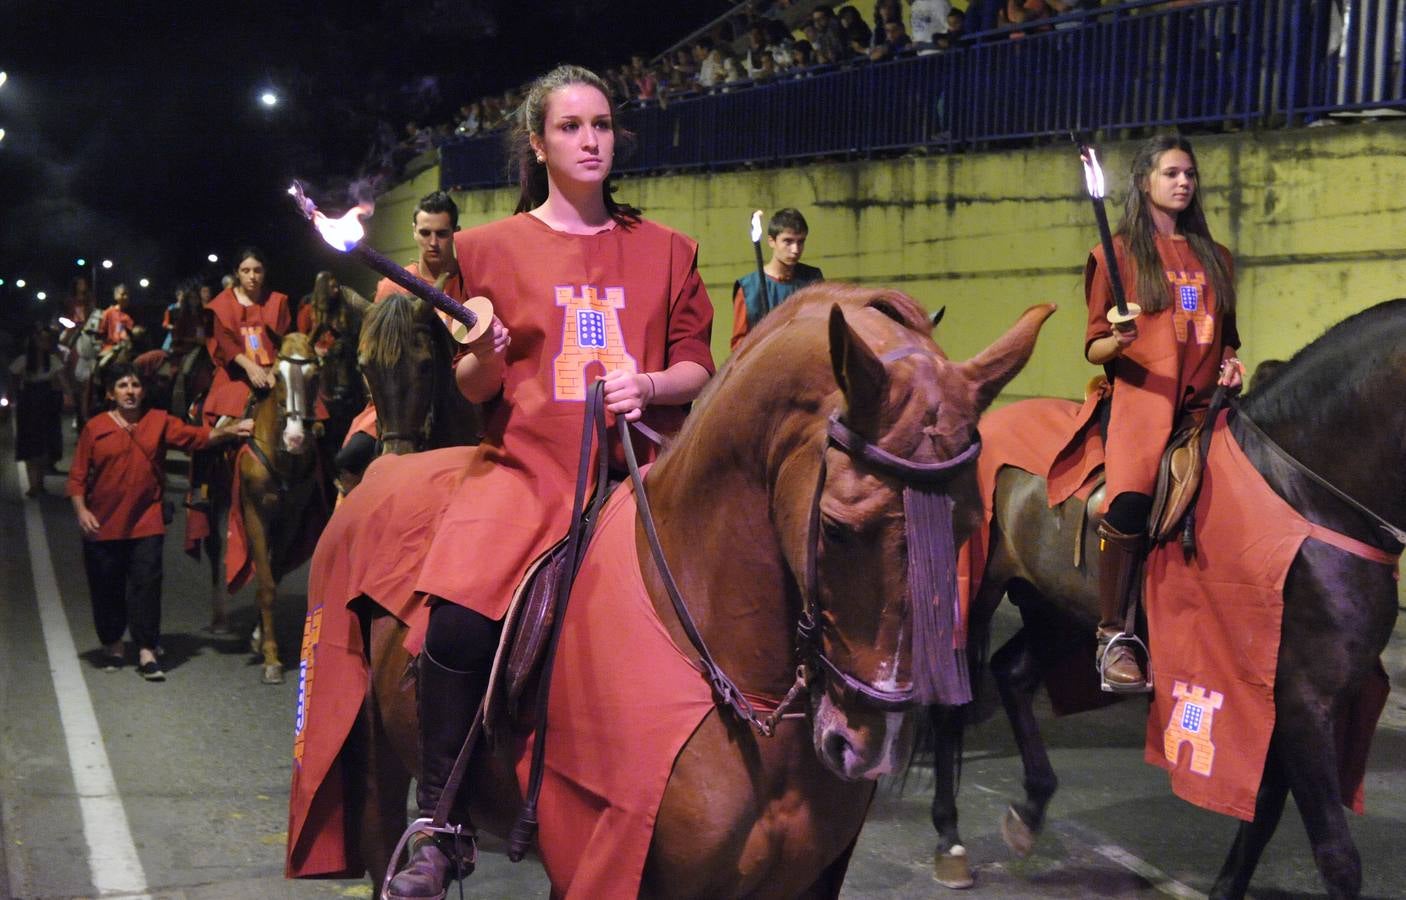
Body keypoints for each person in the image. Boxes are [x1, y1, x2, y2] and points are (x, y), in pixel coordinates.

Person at [381, 63, 714, 898]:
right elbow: (473, 388)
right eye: (570, 127)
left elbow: (698, 365)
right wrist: (483, 357)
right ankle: (441, 822)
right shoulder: (486, 249)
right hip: (527, 473)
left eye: (601, 125)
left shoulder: (667, 250)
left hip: (638, 478)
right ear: (538, 142)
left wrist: (654, 385)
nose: (591, 140)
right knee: (457, 623)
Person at [1083, 134, 1242, 690]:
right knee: (1129, 500)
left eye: (1190, 175)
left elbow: (1229, 341)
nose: (1183, 183)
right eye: (1172, 173)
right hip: (1143, 403)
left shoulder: (1216, 258)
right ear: (1145, 181)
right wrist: (1119, 339)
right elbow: (1095, 346)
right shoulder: (1116, 256)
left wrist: (1231, 365)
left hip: (1205, 406)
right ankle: (1114, 637)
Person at [67, 363, 251, 679]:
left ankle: (146, 650)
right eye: (122, 386)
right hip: (103, 524)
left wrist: (231, 430)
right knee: (106, 587)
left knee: (147, 586)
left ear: (143, 391)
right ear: (111, 393)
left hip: (146, 521)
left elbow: (197, 437)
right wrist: (82, 511)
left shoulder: (158, 422)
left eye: (135, 385)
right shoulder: (95, 428)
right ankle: (112, 644)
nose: (130, 391)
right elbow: (77, 478)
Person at [190, 248, 289, 508]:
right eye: (246, 271)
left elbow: (283, 341)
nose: (252, 276)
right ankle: (204, 485)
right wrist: (252, 369)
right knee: (208, 413)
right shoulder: (222, 305)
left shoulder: (277, 301)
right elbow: (227, 344)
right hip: (236, 373)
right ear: (237, 273)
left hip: (272, 372)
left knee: (308, 411)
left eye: (257, 270)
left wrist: (273, 370)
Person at [730, 207, 824, 349]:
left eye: (800, 242)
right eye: (788, 241)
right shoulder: (748, 288)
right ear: (772, 241)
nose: (795, 250)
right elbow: (739, 344)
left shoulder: (813, 279)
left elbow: (823, 326)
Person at [9, 325, 68, 497]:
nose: (45, 342)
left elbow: (63, 381)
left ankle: (39, 482)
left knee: (45, 444)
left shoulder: (53, 360)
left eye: (48, 339)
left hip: (47, 403)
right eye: (41, 339)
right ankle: (33, 484)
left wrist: (67, 395)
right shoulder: (24, 360)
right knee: (29, 443)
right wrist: (7, 403)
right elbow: (13, 382)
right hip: (28, 403)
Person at [97, 283, 135, 354]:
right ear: (116, 296)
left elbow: (127, 334)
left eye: (127, 295)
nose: (125, 297)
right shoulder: (109, 312)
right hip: (108, 350)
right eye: (123, 294)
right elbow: (101, 332)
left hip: (123, 350)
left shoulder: (127, 317)